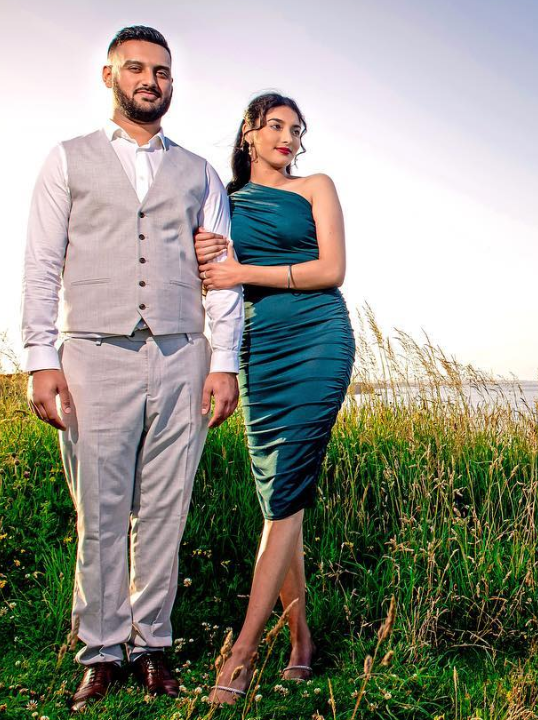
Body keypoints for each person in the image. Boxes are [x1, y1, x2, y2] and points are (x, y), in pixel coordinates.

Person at [20, 25, 244, 713]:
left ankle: (153, 647)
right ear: (110, 76)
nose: (152, 81)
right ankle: (100, 650)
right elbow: (43, 264)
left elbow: (222, 275)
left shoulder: (201, 173)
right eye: (139, 69)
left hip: (182, 355)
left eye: (163, 72)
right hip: (91, 352)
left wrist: (225, 360)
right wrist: (40, 358)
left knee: (166, 511)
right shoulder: (67, 160)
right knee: (101, 510)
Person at [191, 92, 355, 704]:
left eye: (296, 128)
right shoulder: (223, 204)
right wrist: (212, 264)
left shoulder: (316, 186)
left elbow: (331, 269)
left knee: (286, 492)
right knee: (278, 501)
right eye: (275, 126)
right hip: (259, 350)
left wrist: (243, 273)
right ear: (249, 133)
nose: (287, 137)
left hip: (318, 338)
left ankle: (241, 652)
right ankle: (302, 641)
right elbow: (209, 277)